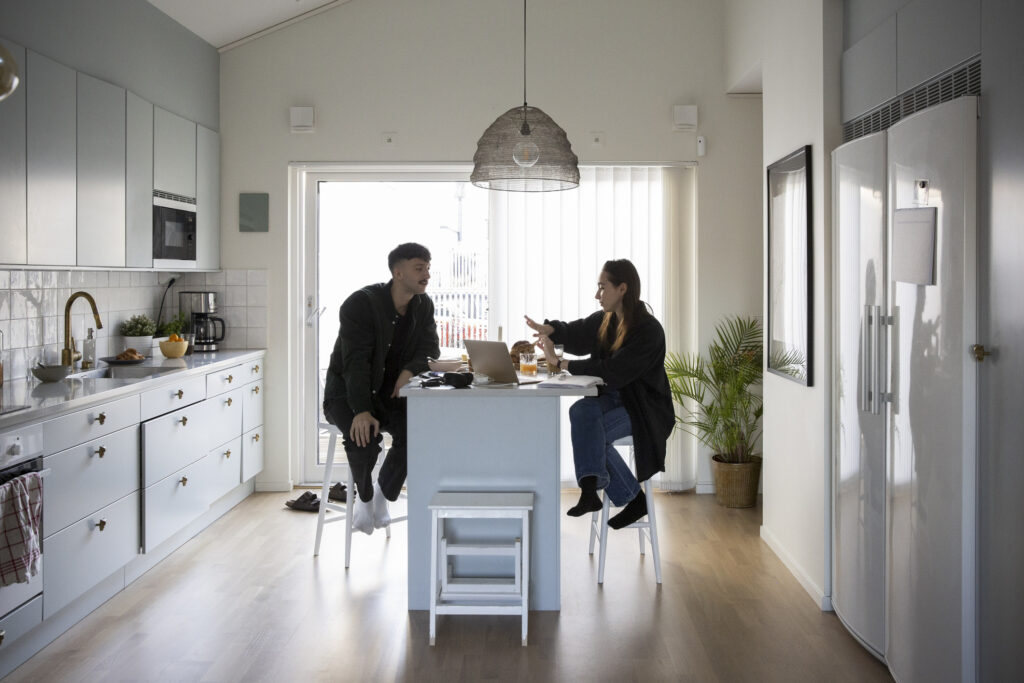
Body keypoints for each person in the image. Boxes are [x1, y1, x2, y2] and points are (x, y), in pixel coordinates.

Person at [526, 259, 674, 529]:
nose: (597, 295)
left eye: (602, 287)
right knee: (580, 411)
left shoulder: (649, 331)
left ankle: (630, 498)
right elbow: (578, 332)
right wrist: (552, 330)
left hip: (643, 408)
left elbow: (612, 371)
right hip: (614, 400)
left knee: (591, 431)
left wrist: (561, 363)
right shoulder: (607, 320)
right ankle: (591, 493)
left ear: (622, 288)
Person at [322, 243, 439, 534]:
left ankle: (381, 495)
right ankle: (363, 499)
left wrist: (409, 371)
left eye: (428, 268)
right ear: (398, 273)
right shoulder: (361, 304)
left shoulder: (423, 305)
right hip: (347, 393)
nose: (427, 274)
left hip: (388, 395)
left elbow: (429, 348)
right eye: (419, 268)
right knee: (363, 436)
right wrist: (361, 409)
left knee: (418, 430)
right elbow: (356, 362)